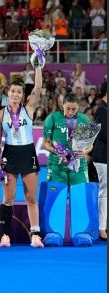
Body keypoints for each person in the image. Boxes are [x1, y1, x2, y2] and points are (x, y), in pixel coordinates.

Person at [0, 67, 44, 248]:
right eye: (13, 91)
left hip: (28, 153)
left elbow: (38, 87)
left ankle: (35, 234)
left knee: (31, 198)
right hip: (10, 155)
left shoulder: (29, 109)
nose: (15, 94)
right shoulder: (0, 115)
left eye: (19, 92)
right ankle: (5, 235)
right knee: (8, 198)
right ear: (8, 93)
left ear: (23, 95)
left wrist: (38, 67)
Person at [42, 92, 94, 242]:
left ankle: (81, 233)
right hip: (58, 164)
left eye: (74, 109)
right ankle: (54, 232)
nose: (70, 112)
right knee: (57, 196)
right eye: (68, 109)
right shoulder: (52, 118)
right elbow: (46, 143)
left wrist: (84, 151)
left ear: (78, 107)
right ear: (62, 105)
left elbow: (89, 144)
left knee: (79, 196)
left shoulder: (84, 119)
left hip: (78, 164)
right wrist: (57, 151)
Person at [89, 81, 107, 241]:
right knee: (104, 192)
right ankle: (101, 228)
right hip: (102, 157)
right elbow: (101, 134)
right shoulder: (102, 109)